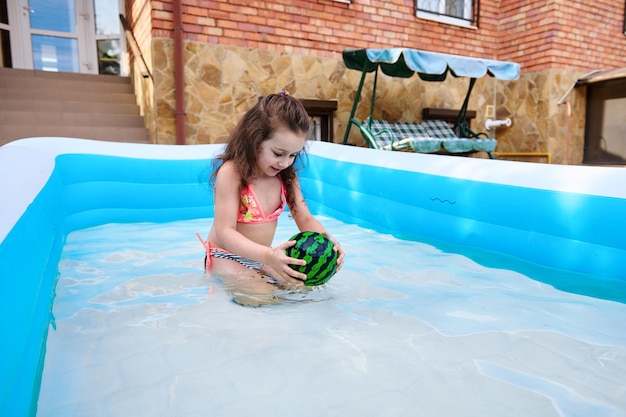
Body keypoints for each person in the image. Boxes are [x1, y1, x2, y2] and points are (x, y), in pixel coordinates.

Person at [197, 91, 344, 305]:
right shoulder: (233, 173)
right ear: (255, 139)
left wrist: (330, 243)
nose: (285, 162)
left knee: (303, 287)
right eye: (278, 153)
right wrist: (268, 256)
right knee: (260, 296)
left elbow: (305, 219)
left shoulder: (287, 177)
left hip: (262, 257)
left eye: (293, 155)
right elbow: (225, 231)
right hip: (225, 256)